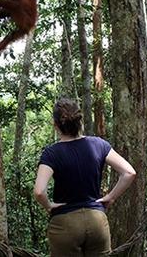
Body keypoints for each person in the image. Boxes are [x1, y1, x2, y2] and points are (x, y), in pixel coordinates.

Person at [33, 98, 136, 256]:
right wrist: (110, 197)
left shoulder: (51, 153)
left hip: (65, 223)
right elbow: (129, 172)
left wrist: (48, 205)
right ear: (80, 122)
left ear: (56, 125)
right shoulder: (99, 144)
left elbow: (39, 191)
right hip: (97, 221)